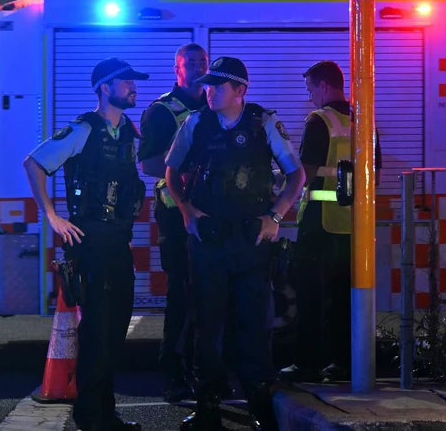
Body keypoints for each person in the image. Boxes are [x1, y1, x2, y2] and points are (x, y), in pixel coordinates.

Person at [164, 56, 306, 431]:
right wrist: (186, 209)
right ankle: (208, 405)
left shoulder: (264, 123)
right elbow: (171, 172)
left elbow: (296, 175)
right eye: (207, 85)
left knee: (253, 323)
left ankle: (259, 402)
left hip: (250, 240)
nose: (208, 91)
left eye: (217, 86)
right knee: (206, 323)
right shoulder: (196, 123)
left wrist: (275, 217)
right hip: (208, 240)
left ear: (240, 90)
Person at [23, 57, 147, 431]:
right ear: (105, 87)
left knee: (114, 331)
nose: (133, 87)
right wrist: (53, 216)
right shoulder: (83, 129)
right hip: (90, 243)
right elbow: (34, 164)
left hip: (118, 244)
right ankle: (92, 417)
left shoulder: (129, 132)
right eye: (126, 82)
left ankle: (105, 413)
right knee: (96, 331)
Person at [286, 60, 380, 383]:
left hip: (318, 224)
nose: (310, 97)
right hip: (353, 226)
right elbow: (374, 177)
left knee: (309, 296)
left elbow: (306, 174)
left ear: (324, 86)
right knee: (344, 298)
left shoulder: (319, 121)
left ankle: (307, 363)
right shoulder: (364, 120)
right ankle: (344, 362)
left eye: (311, 89)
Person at [137, 43, 208, 402]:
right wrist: (186, 167)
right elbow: (149, 165)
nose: (197, 68)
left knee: (209, 295)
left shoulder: (216, 106)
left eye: (202, 62)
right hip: (176, 213)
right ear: (177, 68)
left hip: (213, 214)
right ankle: (173, 374)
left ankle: (204, 373)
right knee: (181, 294)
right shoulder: (162, 111)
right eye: (189, 62)